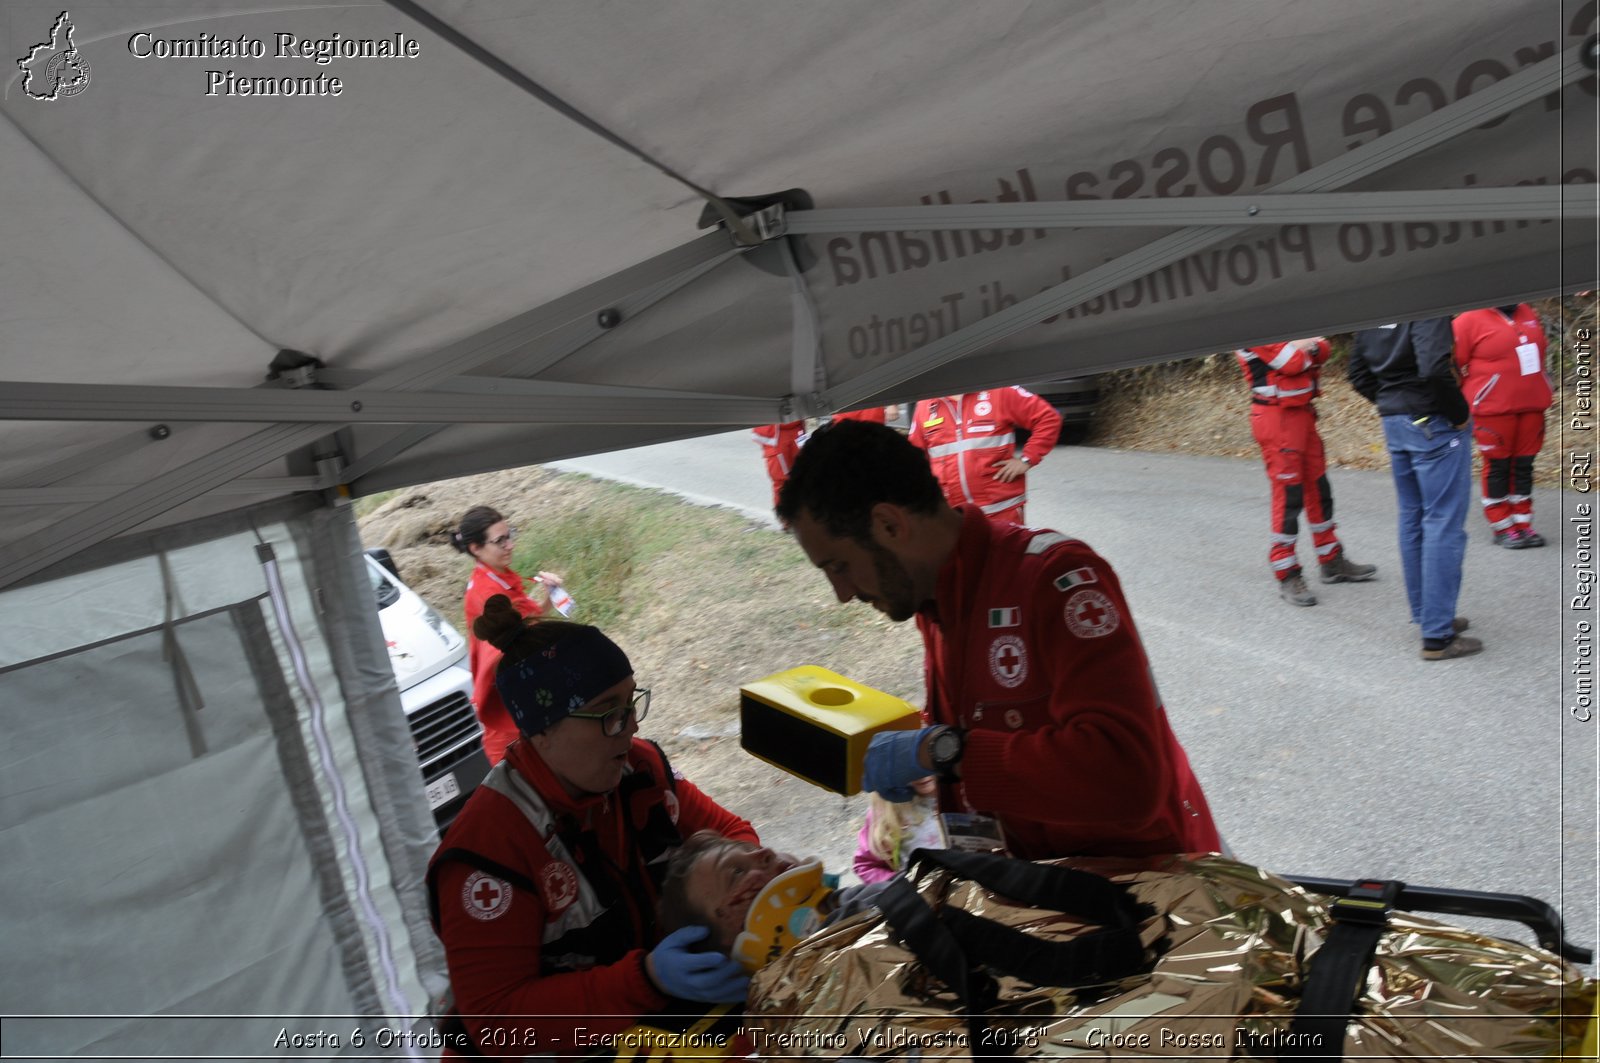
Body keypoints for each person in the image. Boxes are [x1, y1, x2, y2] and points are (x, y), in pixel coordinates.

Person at [775, 420, 1221, 860]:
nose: (842, 594)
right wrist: (929, 761)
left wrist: (942, 752)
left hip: (1147, 894)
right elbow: (996, 723)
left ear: (889, 525)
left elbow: (1128, 776)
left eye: (838, 567)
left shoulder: (1056, 580)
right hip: (1045, 887)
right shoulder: (933, 602)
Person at [426, 599, 757, 1057]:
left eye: (631, 702)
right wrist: (645, 979)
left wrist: (741, 893)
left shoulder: (640, 768)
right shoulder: (489, 850)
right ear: (542, 730)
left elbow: (734, 835)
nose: (631, 726)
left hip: (637, 1032)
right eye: (608, 712)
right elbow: (496, 1020)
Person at [1348, 319, 1480, 660]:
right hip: (1432, 420)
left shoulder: (1375, 308)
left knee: (1413, 517)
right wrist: (1460, 413)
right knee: (1443, 523)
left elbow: (1358, 373)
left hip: (1397, 421)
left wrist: (1394, 403)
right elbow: (1435, 368)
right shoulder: (1425, 303)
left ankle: (1430, 616)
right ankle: (1436, 635)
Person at [1236, 338, 1377, 606]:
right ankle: (1286, 571)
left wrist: (1308, 346)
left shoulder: (1285, 319)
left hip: (1302, 413)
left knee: (1319, 489)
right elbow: (1291, 362)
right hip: (1275, 419)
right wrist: (1307, 348)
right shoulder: (1251, 322)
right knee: (1289, 497)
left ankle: (1331, 560)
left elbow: (1325, 347)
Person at [452, 505, 569, 764]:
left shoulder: (498, 577)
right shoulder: (487, 594)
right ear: (475, 548)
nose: (510, 545)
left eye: (510, 535)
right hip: (513, 721)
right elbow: (515, 647)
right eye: (500, 541)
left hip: (528, 707)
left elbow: (530, 621)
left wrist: (550, 598)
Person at [1452, 304, 1553, 549]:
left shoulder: (1528, 312)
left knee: (1524, 465)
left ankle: (1523, 522)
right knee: (1498, 465)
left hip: (1532, 403)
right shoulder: (1468, 320)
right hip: (1491, 408)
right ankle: (1502, 525)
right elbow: (1452, 364)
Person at [909, 387, 1062, 525]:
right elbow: (912, 458)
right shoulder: (925, 405)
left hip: (1002, 511)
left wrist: (1027, 460)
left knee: (1005, 556)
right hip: (953, 516)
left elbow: (1048, 418)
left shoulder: (1000, 391)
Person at [853, 776, 942, 884]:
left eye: (926, 761)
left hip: (963, 884)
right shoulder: (885, 810)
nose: (919, 774)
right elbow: (866, 865)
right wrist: (900, 886)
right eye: (906, 764)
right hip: (920, 894)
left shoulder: (963, 793)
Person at [752, 421, 806, 508]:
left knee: (805, 476)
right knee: (782, 482)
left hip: (798, 430)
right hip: (775, 434)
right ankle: (787, 519)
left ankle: (805, 516)